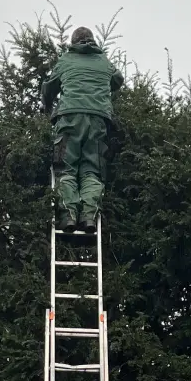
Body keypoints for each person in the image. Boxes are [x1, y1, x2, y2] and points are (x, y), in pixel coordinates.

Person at [40, 26, 124, 231]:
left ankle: (68, 215)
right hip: (98, 121)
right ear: (92, 41)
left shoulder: (66, 60)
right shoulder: (104, 61)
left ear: (73, 42)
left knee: (66, 168)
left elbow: (48, 87)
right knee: (91, 170)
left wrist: (47, 106)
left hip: (69, 118)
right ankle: (88, 216)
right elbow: (118, 80)